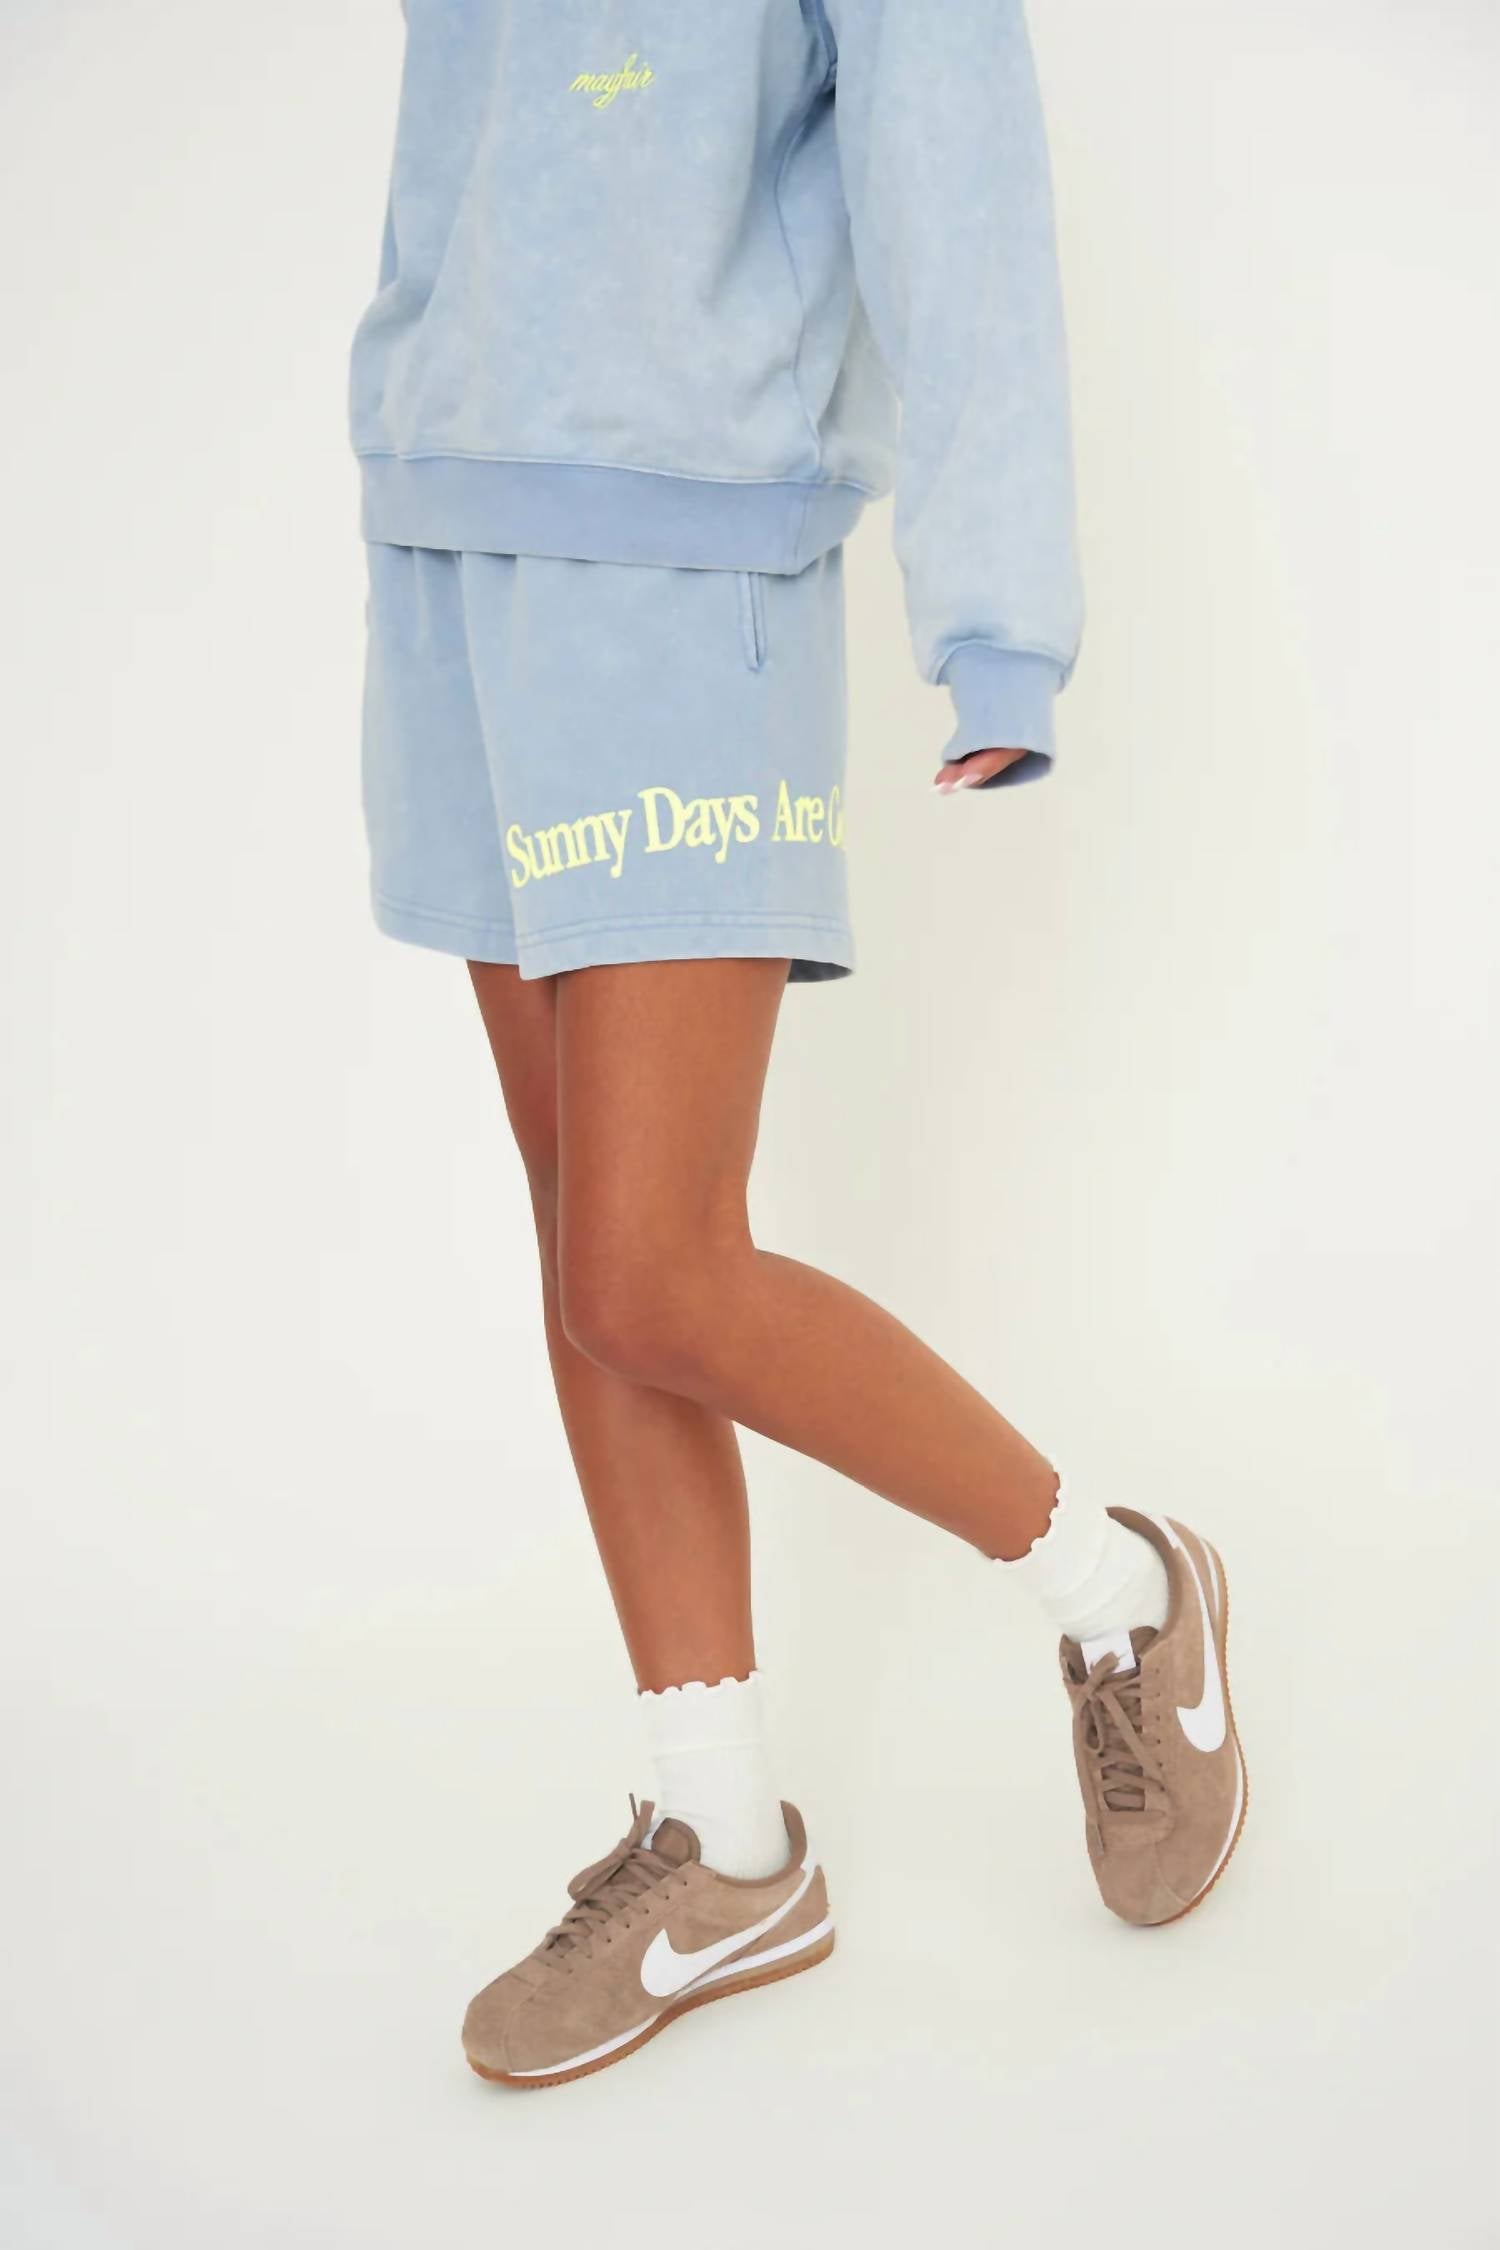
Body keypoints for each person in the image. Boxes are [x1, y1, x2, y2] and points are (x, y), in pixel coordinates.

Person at [350, 0, 1247, 2092]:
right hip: (443, 535)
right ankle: (728, 1843)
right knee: (585, 1247)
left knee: (651, 1265)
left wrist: (996, 620)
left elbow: (959, 182)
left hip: (684, 562)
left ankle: (1116, 1583)